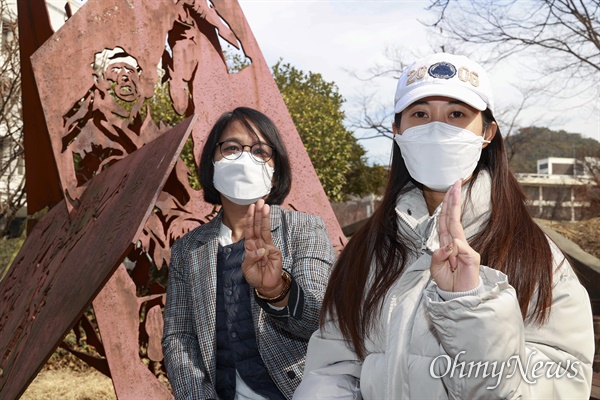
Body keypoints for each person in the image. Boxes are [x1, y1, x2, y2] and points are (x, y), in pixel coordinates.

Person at [293, 53, 594, 399]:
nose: (436, 128)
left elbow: (561, 383)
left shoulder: (538, 257)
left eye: (456, 114)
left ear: (487, 132)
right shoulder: (365, 253)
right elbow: (331, 369)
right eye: (420, 114)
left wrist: (469, 305)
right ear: (397, 131)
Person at [162, 107, 336, 399]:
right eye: (231, 148)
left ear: (275, 168)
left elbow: (322, 320)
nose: (245, 159)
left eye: (259, 151)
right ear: (212, 162)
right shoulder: (188, 249)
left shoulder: (305, 229)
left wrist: (278, 290)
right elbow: (179, 338)